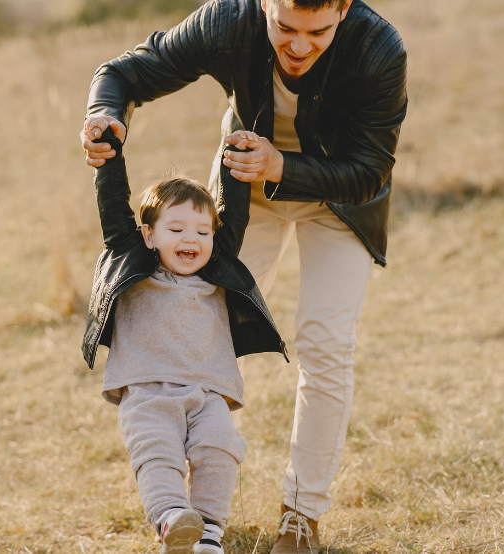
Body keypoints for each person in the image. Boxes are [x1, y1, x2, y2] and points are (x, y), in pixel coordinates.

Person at [80, 0, 407, 551]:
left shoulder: (380, 48)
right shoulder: (226, 21)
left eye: (319, 31)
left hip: (339, 200)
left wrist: (283, 166)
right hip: (242, 191)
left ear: (345, 9)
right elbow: (125, 71)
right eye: (284, 28)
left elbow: (372, 168)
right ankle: (183, 507)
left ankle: (302, 514)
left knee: (325, 345)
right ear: (262, 4)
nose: (299, 46)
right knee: (201, 325)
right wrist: (103, 114)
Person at [83, 125, 286, 554]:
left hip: (209, 390)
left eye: (201, 231)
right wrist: (109, 154)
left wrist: (237, 152)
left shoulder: (218, 270)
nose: (190, 239)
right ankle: (172, 520)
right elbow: (113, 208)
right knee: (158, 455)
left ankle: (208, 532)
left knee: (220, 449)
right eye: (175, 230)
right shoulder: (134, 263)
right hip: (146, 389)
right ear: (148, 235)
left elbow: (235, 211)